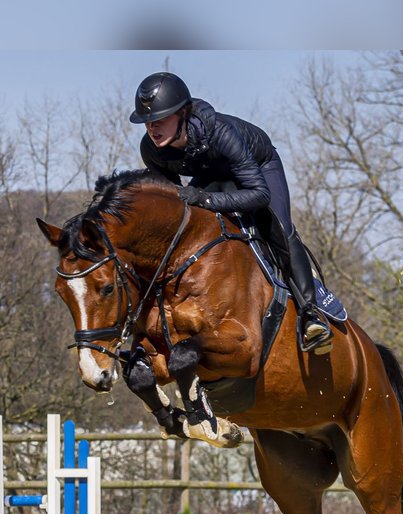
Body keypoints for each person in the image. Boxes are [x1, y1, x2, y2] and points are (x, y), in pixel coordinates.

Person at [129, 71, 333, 354]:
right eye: (148, 122)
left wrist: (206, 199)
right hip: (211, 175)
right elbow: (172, 205)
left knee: (281, 229)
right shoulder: (151, 150)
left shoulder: (221, 133)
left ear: (184, 113)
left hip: (259, 170)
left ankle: (311, 314)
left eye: (160, 119)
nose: (153, 128)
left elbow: (259, 194)